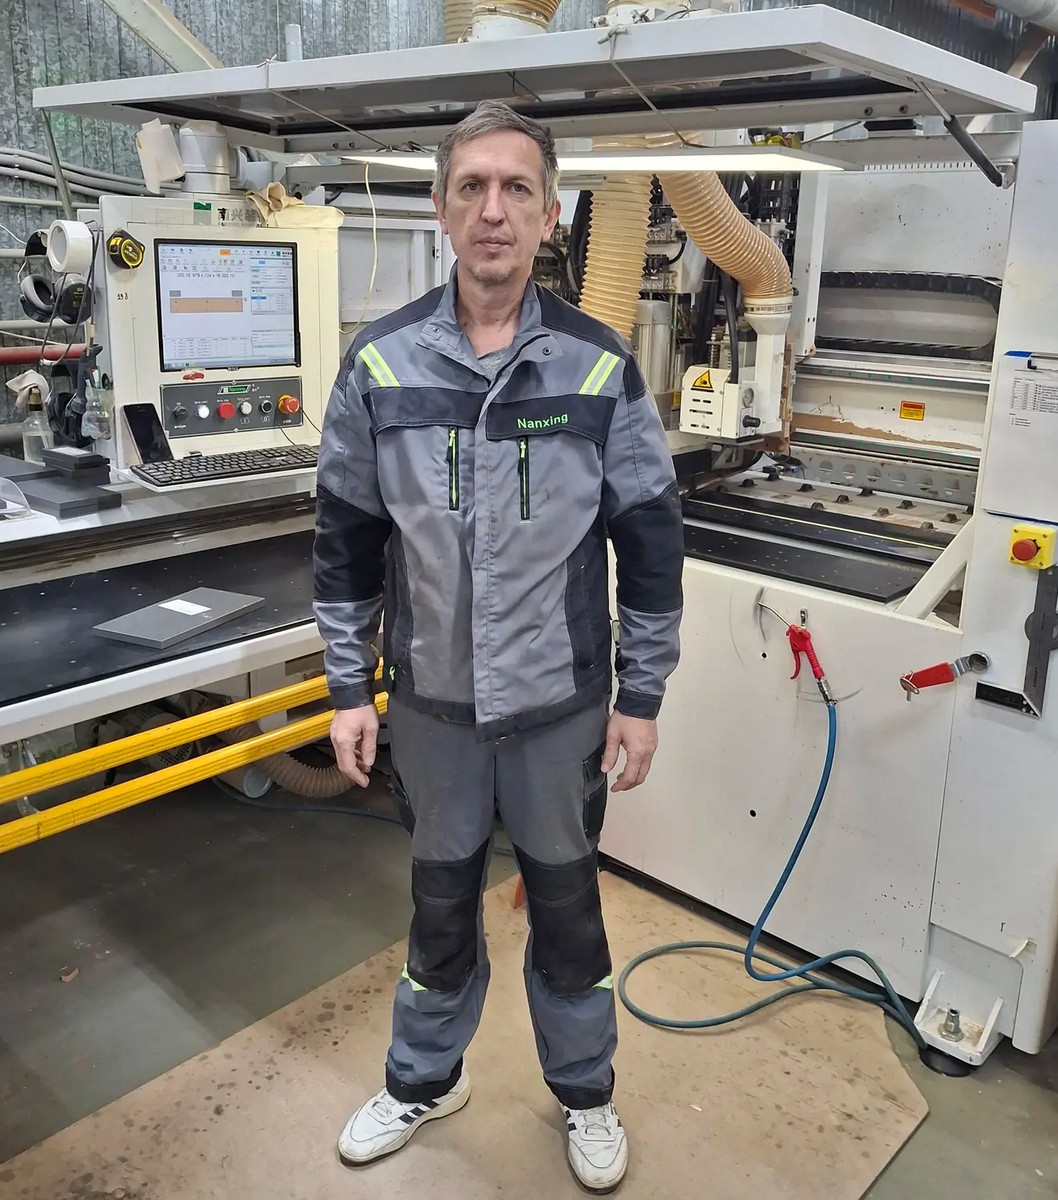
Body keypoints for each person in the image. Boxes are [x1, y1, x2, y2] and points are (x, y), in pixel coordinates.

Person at [312, 99, 683, 1193]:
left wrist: (641, 697)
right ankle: (424, 1079)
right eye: (471, 186)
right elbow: (345, 541)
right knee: (437, 911)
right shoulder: (379, 365)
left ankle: (586, 1095)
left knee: (567, 918)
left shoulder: (596, 368)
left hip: (559, 710)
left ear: (549, 213)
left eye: (517, 189)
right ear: (440, 207)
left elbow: (649, 544)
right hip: (432, 707)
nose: (493, 210)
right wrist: (348, 687)